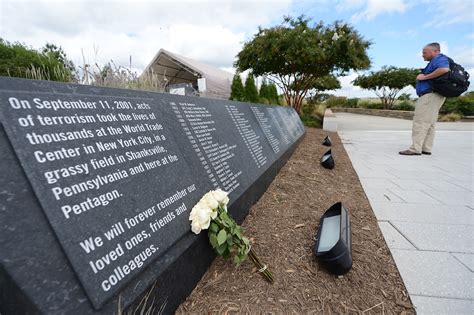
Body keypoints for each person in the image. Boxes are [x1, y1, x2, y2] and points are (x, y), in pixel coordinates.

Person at [399, 42, 449, 156]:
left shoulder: (439, 59)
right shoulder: (435, 60)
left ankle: (415, 148)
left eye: (425, 53)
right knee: (430, 123)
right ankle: (426, 148)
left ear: (435, 51)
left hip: (429, 95)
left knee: (420, 121)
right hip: (435, 95)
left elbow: (444, 69)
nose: (422, 55)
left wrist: (424, 77)